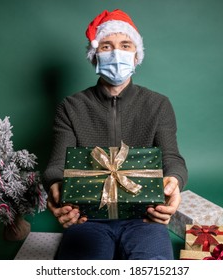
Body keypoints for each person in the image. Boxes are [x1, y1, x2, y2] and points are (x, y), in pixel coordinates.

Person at [43, 9, 188, 260]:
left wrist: (174, 182)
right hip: (87, 217)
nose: (116, 53)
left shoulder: (158, 104)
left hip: (145, 216)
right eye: (106, 46)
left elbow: (173, 160)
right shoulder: (71, 107)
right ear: (94, 56)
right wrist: (55, 187)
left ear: (136, 56)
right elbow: (56, 166)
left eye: (125, 45)